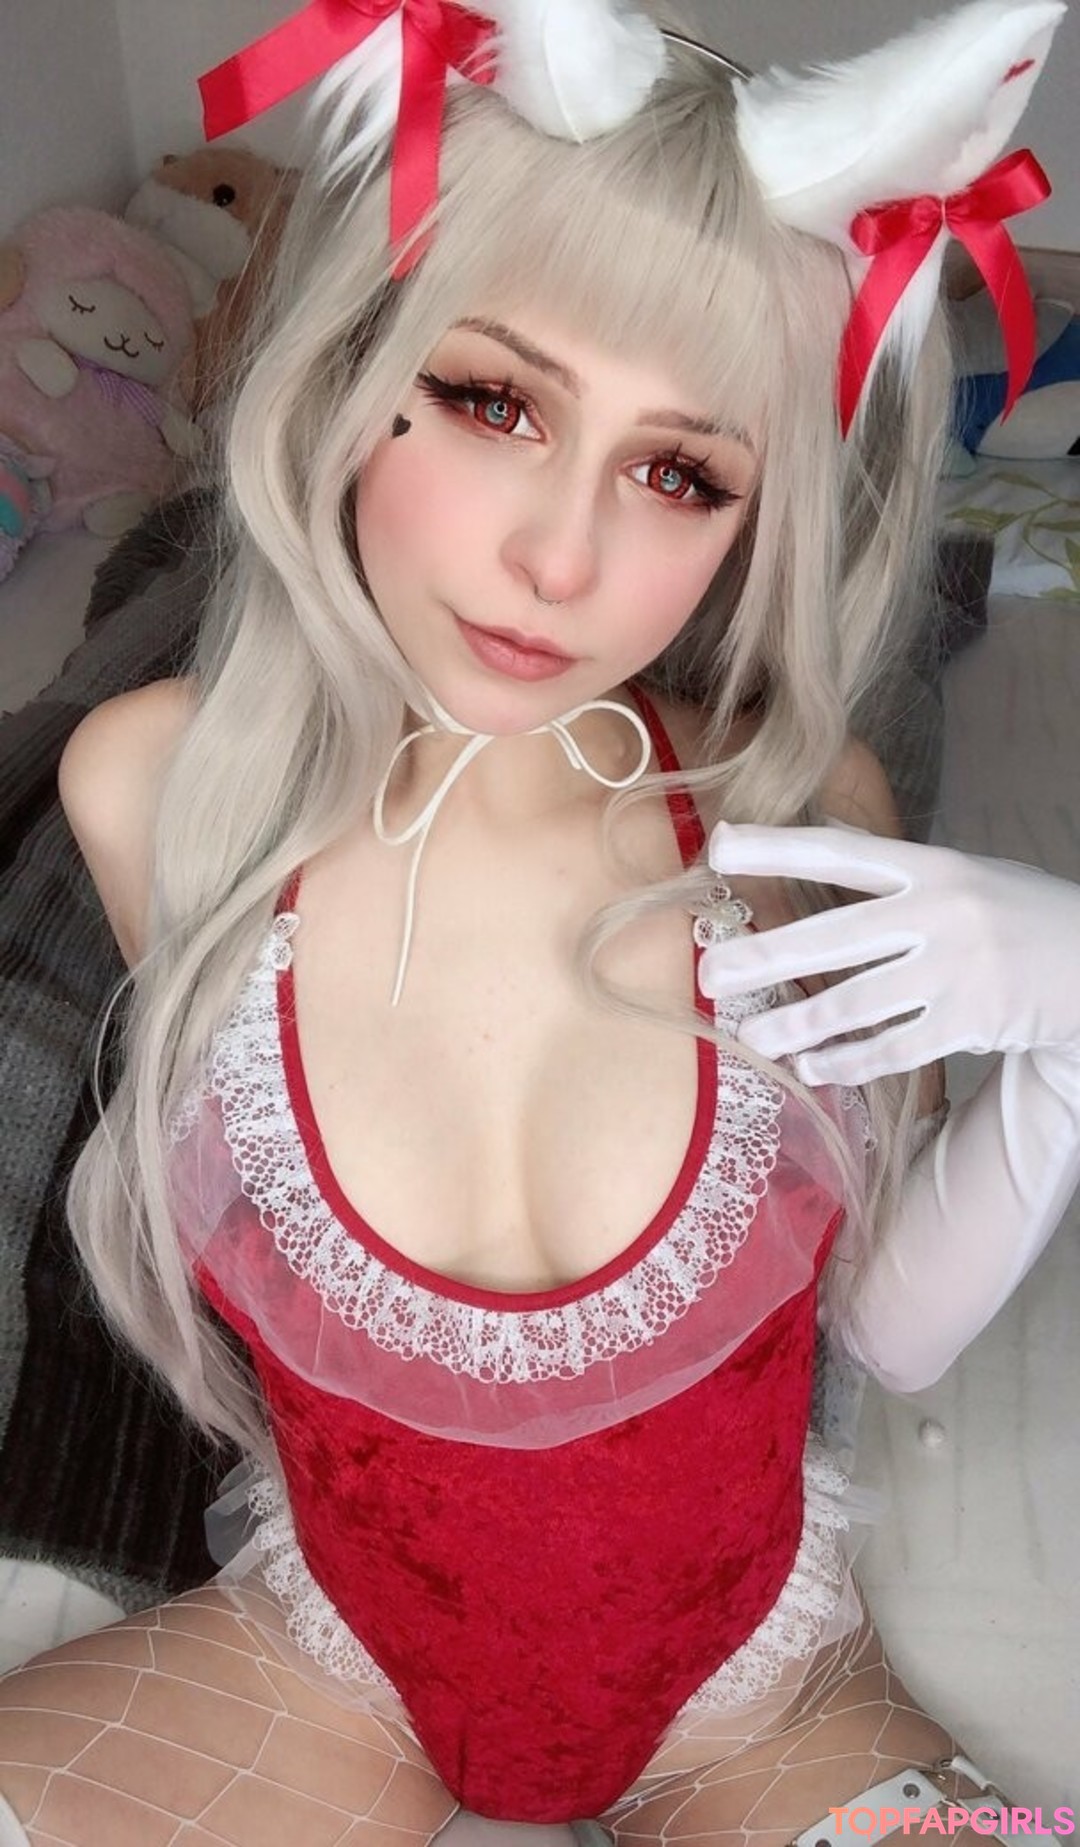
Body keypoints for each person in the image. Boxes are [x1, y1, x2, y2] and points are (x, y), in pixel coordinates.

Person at [1, 1, 1077, 1841]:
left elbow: (889, 1331)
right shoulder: (153, 786)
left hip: (753, 1695)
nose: (558, 561)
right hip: (330, 1666)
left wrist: (1065, 1038)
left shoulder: (799, 828)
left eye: (680, 474)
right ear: (356, 359)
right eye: (495, 402)